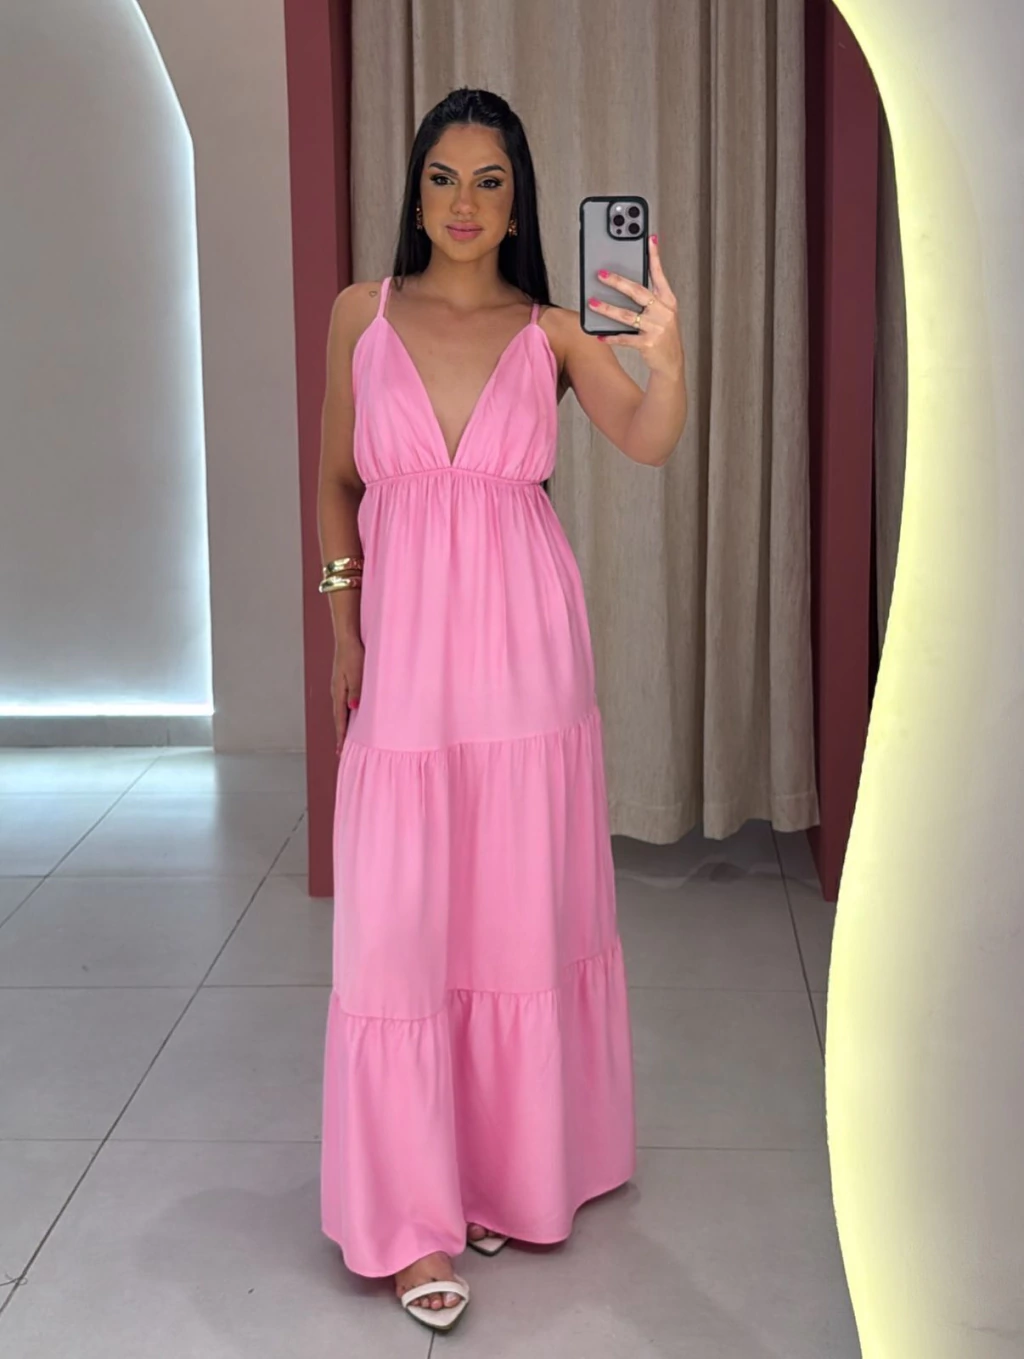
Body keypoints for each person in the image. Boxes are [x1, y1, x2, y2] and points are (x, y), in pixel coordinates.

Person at [316, 86, 687, 1333]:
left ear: (518, 200)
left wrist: (665, 359)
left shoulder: (555, 331)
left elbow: (646, 439)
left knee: (510, 915)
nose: (464, 202)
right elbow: (332, 482)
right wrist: (342, 627)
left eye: (489, 179)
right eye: (442, 177)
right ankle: (409, 1216)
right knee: (398, 927)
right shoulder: (360, 316)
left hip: (528, 661)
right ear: (414, 192)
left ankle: (496, 1175)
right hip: (407, 659)